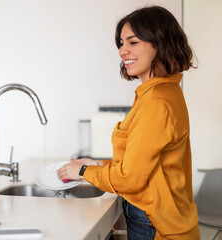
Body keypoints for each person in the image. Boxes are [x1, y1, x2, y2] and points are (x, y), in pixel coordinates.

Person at [57, 6, 200, 240]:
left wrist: (84, 171)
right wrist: (98, 163)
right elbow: (145, 162)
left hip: (156, 223)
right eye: (121, 43)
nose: (123, 51)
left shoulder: (156, 102)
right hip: (165, 217)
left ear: (159, 43)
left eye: (132, 42)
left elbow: (130, 179)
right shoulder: (164, 91)